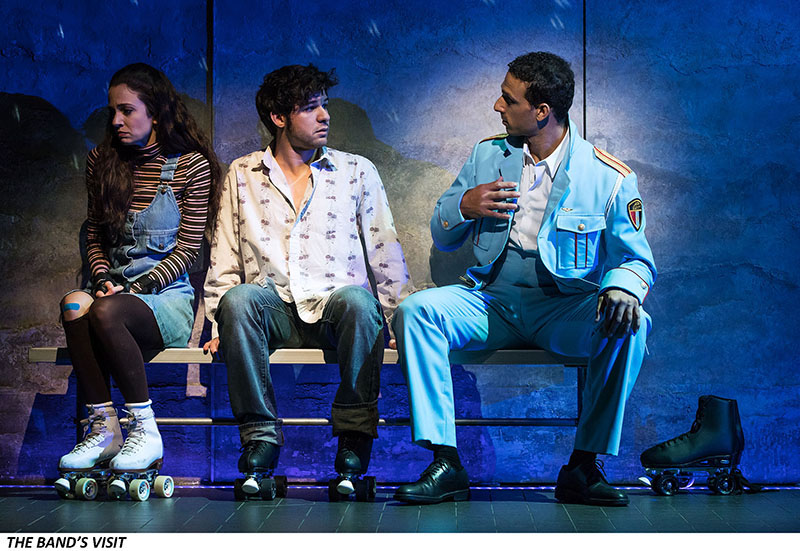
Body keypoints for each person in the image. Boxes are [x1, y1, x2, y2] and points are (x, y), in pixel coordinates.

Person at [392, 52, 656, 506]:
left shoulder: (607, 177)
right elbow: (442, 231)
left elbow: (637, 260)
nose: (497, 105)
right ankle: (445, 461)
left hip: (562, 306)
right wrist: (465, 206)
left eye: (508, 99)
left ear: (541, 112)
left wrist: (621, 286)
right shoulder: (487, 155)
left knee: (633, 323)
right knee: (416, 311)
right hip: (489, 301)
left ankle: (583, 465)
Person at [203, 64, 413, 494]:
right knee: (239, 300)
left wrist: (397, 318)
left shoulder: (356, 170)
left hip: (336, 309)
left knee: (358, 301)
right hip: (272, 307)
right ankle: (260, 439)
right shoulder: (244, 173)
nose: (324, 116)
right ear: (279, 118)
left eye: (325, 105)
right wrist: (218, 322)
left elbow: (384, 249)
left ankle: (353, 440)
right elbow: (222, 251)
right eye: (311, 107)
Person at [56, 63, 221, 492]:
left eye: (127, 110)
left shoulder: (190, 166)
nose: (116, 121)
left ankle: (145, 431)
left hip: (165, 298)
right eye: (113, 111)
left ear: (157, 111)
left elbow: (188, 251)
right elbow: (93, 235)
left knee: (107, 310)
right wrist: (99, 279)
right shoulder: (101, 161)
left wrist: (134, 288)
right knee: (75, 306)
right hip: (113, 291)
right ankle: (104, 428)